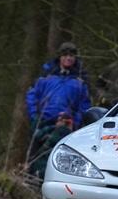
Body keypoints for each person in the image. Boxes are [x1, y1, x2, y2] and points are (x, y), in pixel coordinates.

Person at [25, 42, 90, 175]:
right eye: (65, 55)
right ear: (60, 57)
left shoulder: (80, 81)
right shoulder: (46, 76)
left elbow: (84, 105)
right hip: (42, 122)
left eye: (71, 55)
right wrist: (33, 116)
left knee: (58, 159)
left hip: (66, 125)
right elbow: (32, 96)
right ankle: (31, 182)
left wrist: (76, 122)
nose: (68, 58)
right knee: (35, 157)